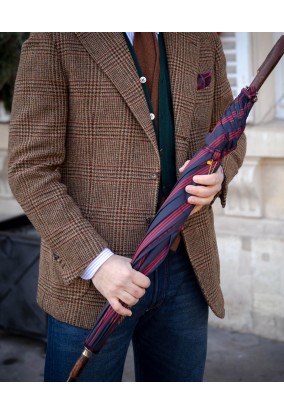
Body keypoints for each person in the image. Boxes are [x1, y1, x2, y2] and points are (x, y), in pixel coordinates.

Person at [8, 32, 246, 382]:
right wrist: (97, 263)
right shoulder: (55, 35)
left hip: (186, 269)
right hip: (92, 283)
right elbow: (29, 169)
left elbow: (230, 130)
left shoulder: (200, 36)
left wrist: (221, 173)